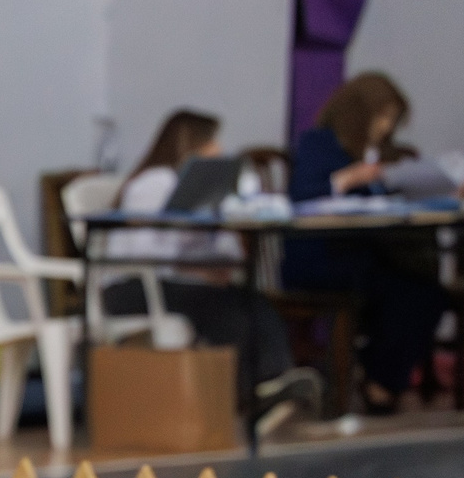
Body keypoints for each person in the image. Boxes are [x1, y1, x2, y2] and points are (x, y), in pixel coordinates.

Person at [103, 108, 317, 428]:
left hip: (184, 284)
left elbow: (219, 245)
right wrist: (196, 268)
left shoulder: (210, 192)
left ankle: (275, 385)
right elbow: (147, 251)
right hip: (133, 286)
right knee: (224, 311)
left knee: (254, 303)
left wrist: (218, 264)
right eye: (210, 142)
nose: (218, 149)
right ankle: (250, 397)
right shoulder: (152, 184)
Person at [286, 73, 449, 413]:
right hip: (323, 256)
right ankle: (374, 380)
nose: (387, 126)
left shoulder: (387, 154)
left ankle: (381, 378)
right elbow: (302, 197)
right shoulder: (320, 144)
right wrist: (348, 179)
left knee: (426, 293)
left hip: (370, 253)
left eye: (392, 119)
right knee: (399, 291)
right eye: (383, 116)